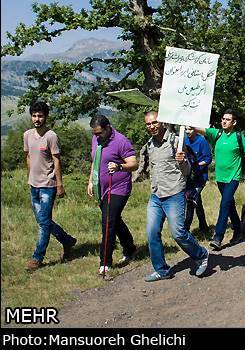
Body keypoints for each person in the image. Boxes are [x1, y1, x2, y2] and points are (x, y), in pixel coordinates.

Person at [134, 111, 209, 282]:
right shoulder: (150, 145)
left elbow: (188, 171)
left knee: (178, 233)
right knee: (152, 232)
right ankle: (161, 270)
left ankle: (201, 255)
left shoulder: (177, 141)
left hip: (174, 194)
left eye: (154, 123)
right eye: (148, 124)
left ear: (162, 123)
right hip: (156, 195)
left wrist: (182, 161)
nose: (151, 126)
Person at [23, 101, 77, 271]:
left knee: (44, 223)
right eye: (34, 115)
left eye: (40, 116)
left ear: (45, 117)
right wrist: (29, 176)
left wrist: (59, 184)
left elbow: (56, 160)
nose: (37, 119)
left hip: (48, 184)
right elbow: (28, 156)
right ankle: (67, 241)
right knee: (43, 221)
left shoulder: (51, 136)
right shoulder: (27, 135)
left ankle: (37, 258)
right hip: (34, 184)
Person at [195, 109, 245, 251]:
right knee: (230, 205)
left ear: (234, 122)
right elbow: (199, 129)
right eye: (223, 118)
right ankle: (239, 231)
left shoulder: (238, 136)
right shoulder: (217, 134)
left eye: (228, 119)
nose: (224, 121)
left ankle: (218, 237)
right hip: (220, 178)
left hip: (233, 177)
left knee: (224, 204)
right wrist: (188, 123)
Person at [88, 114, 138, 277]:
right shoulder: (96, 139)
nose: (97, 136)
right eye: (94, 133)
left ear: (108, 127)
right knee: (114, 219)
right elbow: (95, 161)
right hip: (102, 187)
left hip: (119, 187)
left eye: (99, 133)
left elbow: (133, 164)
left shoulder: (121, 141)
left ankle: (105, 262)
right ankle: (130, 248)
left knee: (108, 222)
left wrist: (119, 167)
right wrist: (91, 181)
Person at [183, 126, 212, 233]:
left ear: (195, 129)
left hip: (200, 177)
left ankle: (185, 230)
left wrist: (196, 166)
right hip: (189, 177)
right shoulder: (184, 141)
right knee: (197, 202)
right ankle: (204, 226)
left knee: (191, 201)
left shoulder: (202, 141)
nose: (187, 132)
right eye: (186, 129)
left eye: (190, 129)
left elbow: (208, 159)